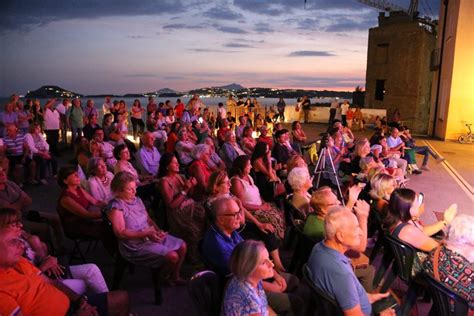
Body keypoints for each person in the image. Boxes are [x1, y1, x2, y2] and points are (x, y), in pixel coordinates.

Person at [202, 196, 302, 316]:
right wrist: (273, 287)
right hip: (243, 283)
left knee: (293, 282)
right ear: (221, 219)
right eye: (234, 214)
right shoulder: (217, 246)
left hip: (254, 278)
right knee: (296, 303)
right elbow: (241, 276)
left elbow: (250, 259)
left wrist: (276, 275)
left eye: (239, 211)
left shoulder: (230, 230)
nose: (240, 217)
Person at [0, 228, 130, 315]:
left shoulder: (19, 262)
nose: (22, 245)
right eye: (13, 242)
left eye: (20, 241)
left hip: (72, 304)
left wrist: (80, 301)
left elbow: (52, 282)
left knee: (122, 298)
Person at [307, 207, 396, 316]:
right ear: (340, 236)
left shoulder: (318, 247)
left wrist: (367, 297)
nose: (360, 232)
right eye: (356, 228)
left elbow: (342, 292)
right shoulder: (342, 274)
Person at [107, 172, 187, 284]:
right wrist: (146, 233)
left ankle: (174, 276)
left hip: (149, 235)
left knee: (182, 246)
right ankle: (163, 276)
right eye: (130, 189)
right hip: (135, 245)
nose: (135, 191)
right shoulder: (116, 206)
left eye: (135, 188)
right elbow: (120, 233)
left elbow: (149, 220)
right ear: (119, 191)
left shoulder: (137, 200)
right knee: (172, 256)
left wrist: (159, 231)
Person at [207, 171, 285, 272]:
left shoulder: (228, 195)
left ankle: (278, 265)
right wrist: (239, 204)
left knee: (266, 230)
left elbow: (243, 210)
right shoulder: (214, 204)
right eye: (226, 183)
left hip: (237, 225)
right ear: (216, 187)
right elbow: (241, 221)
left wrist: (259, 223)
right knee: (258, 242)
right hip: (234, 231)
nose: (230, 184)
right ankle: (265, 270)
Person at [384, 188, 457, 275]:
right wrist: (452, 230)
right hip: (416, 269)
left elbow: (422, 232)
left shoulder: (397, 219)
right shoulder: (409, 231)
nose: (420, 205)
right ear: (408, 209)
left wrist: (444, 222)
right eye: (417, 203)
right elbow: (438, 250)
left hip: (404, 260)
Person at [157, 153, 206, 262]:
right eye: (174, 163)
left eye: (177, 162)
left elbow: (190, 194)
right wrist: (184, 190)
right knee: (193, 228)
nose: (177, 164)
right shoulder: (164, 182)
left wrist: (192, 186)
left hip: (190, 205)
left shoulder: (179, 176)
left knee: (207, 213)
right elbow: (171, 205)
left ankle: (201, 250)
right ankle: (191, 257)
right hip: (178, 212)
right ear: (167, 166)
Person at [57, 165, 114, 252]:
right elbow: (87, 215)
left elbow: (95, 202)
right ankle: (117, 255)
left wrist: (111, 204)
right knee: (109, 228)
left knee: (112, 223)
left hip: (86, 219)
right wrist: (108, 213)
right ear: (65, 181)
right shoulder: (66, 198)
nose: (78, 177)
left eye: (77, 174)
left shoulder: (78, 189)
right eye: (74, 175)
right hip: (76, 225)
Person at [423, 214, 474, 310]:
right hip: (457, 309)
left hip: (438, 297)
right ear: (465, 243)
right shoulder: (469, 275)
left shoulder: (436, 252)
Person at [230, 155, 286, 239]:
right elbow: (241, 204)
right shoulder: (236, 182)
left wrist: (264, 203)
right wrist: (260, 207)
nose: (251, 166)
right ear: (242, 167)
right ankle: (274, 242)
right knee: (274, 219)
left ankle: (279, 241)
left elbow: (257, 193)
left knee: (279, 212)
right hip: (251, 211)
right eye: (249, 165)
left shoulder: (248, 176)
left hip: (260, 206)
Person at [222, 240, 276, 316]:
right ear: (249, 268)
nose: (272, 264)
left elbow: (263, 306)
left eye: (268, 258)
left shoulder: (251, 279)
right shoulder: (249, 299)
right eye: (263, 262)